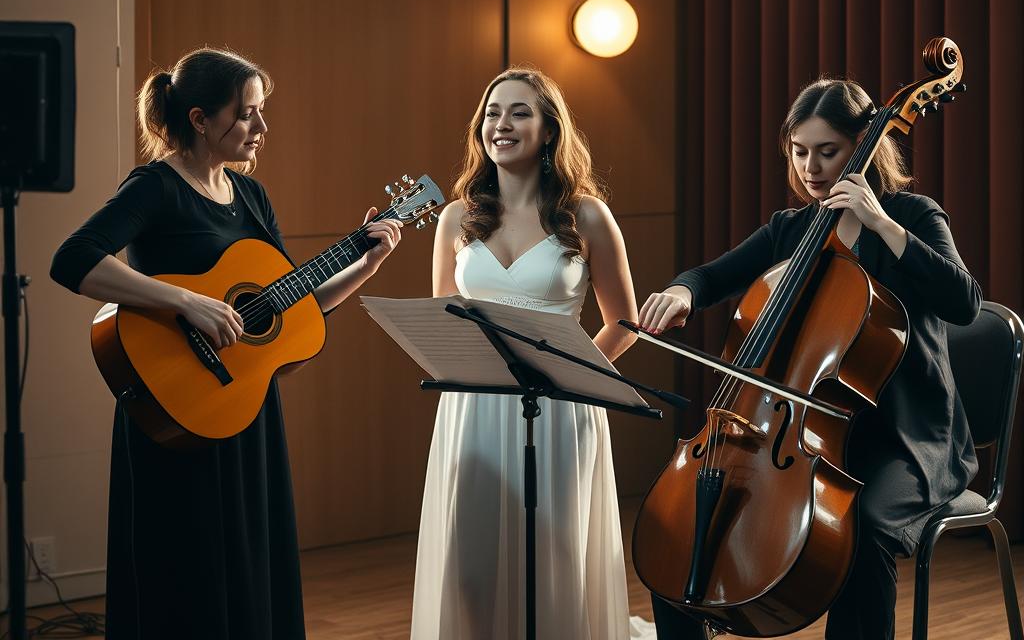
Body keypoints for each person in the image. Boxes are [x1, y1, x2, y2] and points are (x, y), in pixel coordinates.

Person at [50, 47, 403, 640]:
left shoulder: (251, 197)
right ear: (198, 118)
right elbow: (74, 259)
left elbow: (289, 307)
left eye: (260, 112)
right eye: (246, 114)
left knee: (249, 562)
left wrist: (365, 264)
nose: (261, 127)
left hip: (244, 403)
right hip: (175, 404)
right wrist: (184, 301)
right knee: (186, 573)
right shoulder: (155, 187)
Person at [638, 78, 981, 639]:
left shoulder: (913, 215)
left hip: (905, 438)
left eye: (828, 152)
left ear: (866, 147)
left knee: (862, 530)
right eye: (799, 152)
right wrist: (682, 293)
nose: (811, 168)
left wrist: (881, 224)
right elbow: (711, 277)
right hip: (802, 432)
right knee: (678, 528)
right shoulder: (790, 229)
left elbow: (964, 302)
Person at [410, 68, 655, 639]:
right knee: (469, 563)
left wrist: (566, 375)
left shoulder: (587, 215)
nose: (502, 124)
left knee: (556, 557)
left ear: (549, 130)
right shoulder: (455, 218)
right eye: (493, 112)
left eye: (520, 112)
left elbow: (626, 323)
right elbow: (446, 319)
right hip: (474, 406)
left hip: (561, 405)